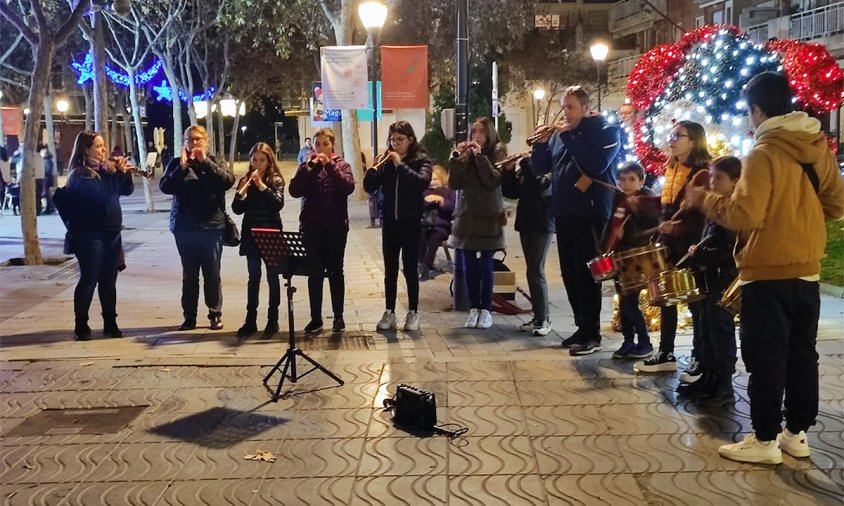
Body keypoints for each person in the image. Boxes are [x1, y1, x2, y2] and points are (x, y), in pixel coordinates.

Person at [684, 71, 844, 464]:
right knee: (802, 354)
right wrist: (798, 222)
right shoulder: (816, 146)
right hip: (806, 270)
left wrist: (705, 199)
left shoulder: (762, 153)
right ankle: (796, 434)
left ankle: (765, 440)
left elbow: (745, 214)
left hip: (767, 273)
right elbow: (837, 204)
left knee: (765, 357)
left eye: (748, 111)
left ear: (757, 109)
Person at [530, 85, 624, 355]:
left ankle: (592, 333)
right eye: (563, 107)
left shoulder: (606, 130)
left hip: (591, 211)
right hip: (564, 210)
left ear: (585, 107)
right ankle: (581, 327)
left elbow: (596, 164)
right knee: (569, 274)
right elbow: (542, 168)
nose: (566, 113)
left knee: (587, 275)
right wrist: (540, 146)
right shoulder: (561, 135)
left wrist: (569, 136)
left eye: (570, 107)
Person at [633, 121, 709, 374]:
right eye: (671, 134)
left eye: (679, 135)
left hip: (691, 246)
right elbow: (669, 203)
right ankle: (666, 352)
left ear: (694, 140)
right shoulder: (673, 166)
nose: (672, 139)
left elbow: (703, 216)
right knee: (666, 298)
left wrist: (677, 229)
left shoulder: (702, 173)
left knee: (696, 303)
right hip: (670, 246)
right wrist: (644, 205)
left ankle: (700, 356)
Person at [677, 156, 740, 403]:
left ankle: (724, 384)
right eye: (711, 177)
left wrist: (700, 253)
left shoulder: (734, 211)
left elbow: (730, 254)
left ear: (735, 181)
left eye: (719, 178)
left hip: (722, 284)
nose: (712, 182)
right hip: (708, 281)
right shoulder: (717, 207)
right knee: (707, 332)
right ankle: (710, 376)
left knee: (721, 333)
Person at [160, 126, 235, 331]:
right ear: (184, 142)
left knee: (212, 273)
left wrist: (205, 162)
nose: (194, 143)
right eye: (189, 139)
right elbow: (165, 186)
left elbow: (227, 181)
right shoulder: (177, 163)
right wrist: (182, 168)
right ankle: (189, 317)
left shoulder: (215, 161)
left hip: (212, 227)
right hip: (185, 228)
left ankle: (214, 314)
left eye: (198, 139)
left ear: (206, 141)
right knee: (189, 274)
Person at [64, 131, 134, 340]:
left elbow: (126, 190)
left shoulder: (106, 171)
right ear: (86, 149)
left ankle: (110, 323)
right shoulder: (80, 174)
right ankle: (81, 325)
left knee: (108, 281)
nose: (104, 150)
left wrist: (125, 172)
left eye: (104, 146)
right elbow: (101, 195)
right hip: (90, 235)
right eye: (99, 146)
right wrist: (117, 174)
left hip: (112, 234)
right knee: (89, 279)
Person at [364, 120, 432, 331]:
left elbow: (421, 183)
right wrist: (373, 170)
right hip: (390, 222)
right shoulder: (386, 161)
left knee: (410, 268)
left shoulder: (422, 160)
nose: (395, 144)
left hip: (411, 221)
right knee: (390, 269)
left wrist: (399, 165)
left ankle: (413, 311)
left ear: (410, 140)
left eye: (400, 140)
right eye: (392, 139)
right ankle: (389, 311)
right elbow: (369, 187)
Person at [289, 128, 355, 333]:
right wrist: (308, 169)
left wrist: (331, 167)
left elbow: (348, 187)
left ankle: (338, 317)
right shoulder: (307, 166)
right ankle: (315, 318)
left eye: (325, 144)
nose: (321, 148)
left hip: (335, 227)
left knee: (336, 272)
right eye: (317, 144)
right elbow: (294, 190)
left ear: (332, 145)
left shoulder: (342, 165)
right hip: (311, 227)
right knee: (314, 273)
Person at [448, 117, 507, 329]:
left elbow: (493, 180)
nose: (476, 137)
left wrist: (480, 157)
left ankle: (486, 310)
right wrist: (456, 159)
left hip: (488, 217)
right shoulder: (467, 154)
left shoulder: (498, 150)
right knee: (468, 265)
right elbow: (454, 183)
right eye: (473, 132)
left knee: (486, 266)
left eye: (480, 132)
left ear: (489, 134)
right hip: (466, 217)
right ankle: (474, 308)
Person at [231, 142, 285, 340]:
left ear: (269, 161)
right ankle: (250, 320)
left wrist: (262, 186)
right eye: (254, 159)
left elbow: (277, 204)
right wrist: (242, 195)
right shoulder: (246, 179)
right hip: (251, 234)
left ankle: (273, 320)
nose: (257, 164)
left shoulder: (276, 179)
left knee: (273, 278)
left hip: (271, 234)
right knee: (253, 279)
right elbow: (237, 209)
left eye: (262, 160)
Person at [607, 162, 658, 359]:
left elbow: (652, 229)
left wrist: (627, 233)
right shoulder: (619, 198)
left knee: (630, 302)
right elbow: (612, 223)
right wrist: (607, 243)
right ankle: (628, 341)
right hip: (619, 255)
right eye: (622, 179)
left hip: (635, 258)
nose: (626, 184)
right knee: (623, 301)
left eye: (631, 179)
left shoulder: (646, 201)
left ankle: (644, 342)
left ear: (641, 180)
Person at [501, 156, 555, 336]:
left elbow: (540, 186)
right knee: (531, 270)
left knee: (536, 270)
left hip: (543, 224)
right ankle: (538, 317)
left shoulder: (548, 165)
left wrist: (526, 163)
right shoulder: (528, 167)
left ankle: (544, 318)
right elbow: (512, 192)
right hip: (526, 223)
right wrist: (508, 171)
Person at [418, 164, 455, 281]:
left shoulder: (448, 192)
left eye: (435, 179)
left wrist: (441, 200)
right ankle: (420, 263)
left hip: (441, 226)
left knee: (435, 238)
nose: (432, 182)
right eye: (430, 180)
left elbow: (452, 208)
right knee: (421, 237)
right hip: (425, 224)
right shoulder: (424, 191)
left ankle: (428, 264)